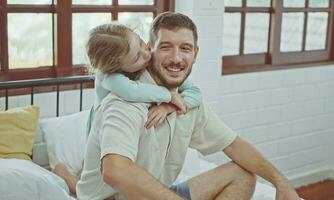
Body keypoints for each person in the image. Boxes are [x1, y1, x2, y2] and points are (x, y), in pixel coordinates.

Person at [75, 12, 301, 200]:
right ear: (150, 48)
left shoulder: (185, 98)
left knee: (242, 174)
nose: (176, 58)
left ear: (195, 54)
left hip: (159, 195)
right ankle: (67, 177)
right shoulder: (123, 100)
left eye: (185, 48)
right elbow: (115, 171)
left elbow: (232, 144)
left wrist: (281, 182)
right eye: (165, 47)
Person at [53, 23, 202, 195]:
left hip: (128, 132)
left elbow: (195, 92)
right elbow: (132, 91)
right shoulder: (109, 77)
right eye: (137, 57)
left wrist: (169, 107)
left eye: (140, 42)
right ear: (117, 67)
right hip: (103, 128)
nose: (147, 53)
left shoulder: (143, 61)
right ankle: (62, 173)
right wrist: (170, 96)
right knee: (92, 181)